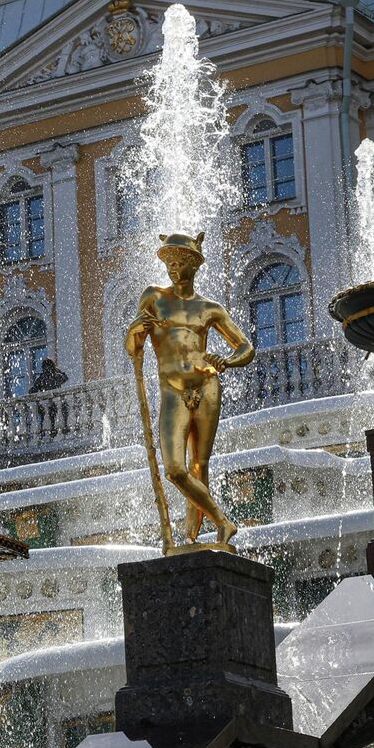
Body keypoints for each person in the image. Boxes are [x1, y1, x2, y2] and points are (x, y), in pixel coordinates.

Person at [124, 232, 256, 549]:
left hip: (207, 386)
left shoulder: (210, 308)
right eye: (169, 262)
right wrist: (135, 330)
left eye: (179, 262)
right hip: (173, 390)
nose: (173, 268)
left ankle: (195, 536)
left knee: (200, 465)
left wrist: (227, 361)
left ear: (194, 266)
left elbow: (245, 347)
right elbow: (133, 348)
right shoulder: (154, 297)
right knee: (174, 470)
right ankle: (223, 521)